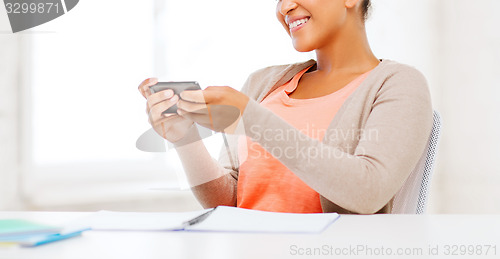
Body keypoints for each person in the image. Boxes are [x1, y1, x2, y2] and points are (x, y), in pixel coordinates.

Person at [138, 0, 433, 214]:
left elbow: (368, 192)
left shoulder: (398, 83)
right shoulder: (262, 83)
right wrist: (184, 137)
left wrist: (251, 118)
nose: (284, 7)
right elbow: (229, 204)